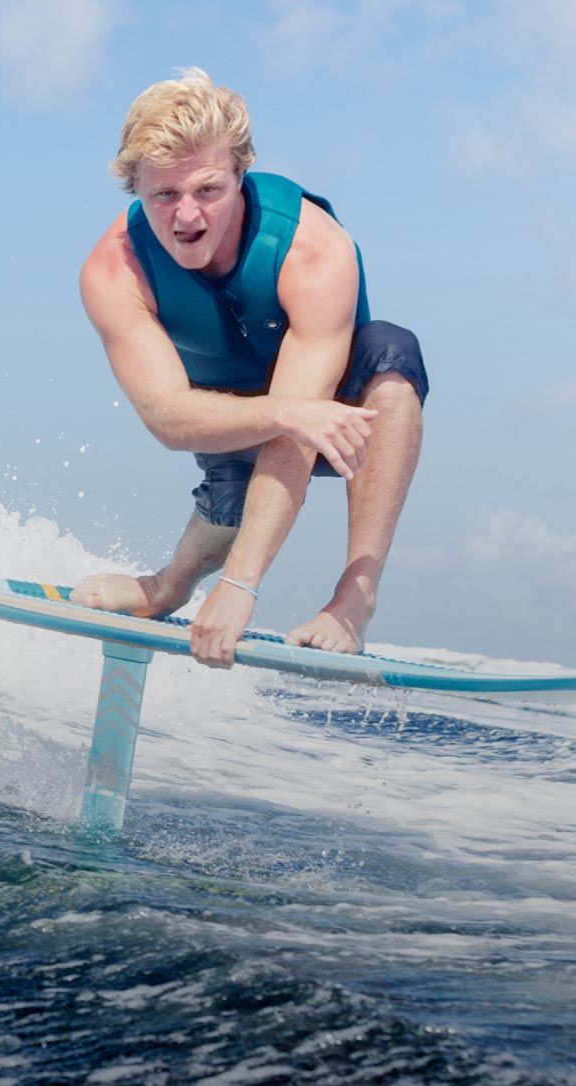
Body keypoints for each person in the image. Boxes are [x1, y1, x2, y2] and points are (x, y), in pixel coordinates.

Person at [72, 68, 428, 668]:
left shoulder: (314, 249)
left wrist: (239, 588)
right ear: (135, 188)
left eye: (208, 190)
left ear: (241, 172)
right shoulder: (114, 271)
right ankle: (167, 586)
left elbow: (300, 429)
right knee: (228, 502)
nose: (187, 216)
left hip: (337, 410)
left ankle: (353, 599)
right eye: (163, 195)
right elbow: (166, 417)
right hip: (228, 407)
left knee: (394, 359)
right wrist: (284, 411)